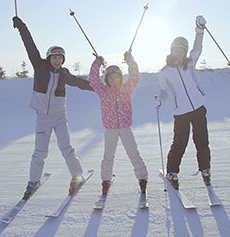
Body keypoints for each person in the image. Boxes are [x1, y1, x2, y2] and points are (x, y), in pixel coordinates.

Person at [12, 16, 94, 199]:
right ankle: (33, 181)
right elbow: (30, 45)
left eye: (60, 58)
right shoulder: (39, 66)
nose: (57, 61)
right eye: (54, 57)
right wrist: (22, 28)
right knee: (40, 152)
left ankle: (77, 176)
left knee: (67, 148)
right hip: (42, 117)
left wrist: (98, 87)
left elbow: (80, 83)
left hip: (59, 117)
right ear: (49, 58)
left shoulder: (64, 74)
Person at [156, 15, 211, 189]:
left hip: (198, 107)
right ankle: (172, 172)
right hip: (181, 112)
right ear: (171, 51)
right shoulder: (165, 72)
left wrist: (199, 29)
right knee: (180, 142)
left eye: (182, 50)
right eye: (176, 50)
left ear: (185, 52)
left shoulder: (190, 63)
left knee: (202, 140)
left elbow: (198, 46)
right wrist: (160, 100)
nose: (179, 53)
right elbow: (163, 90)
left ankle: (205, 169)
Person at [89, 51, 149, 196]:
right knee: (108, 156)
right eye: (111, 78)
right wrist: (97, 64)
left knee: (133, 153)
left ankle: (142, 178)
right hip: (110, 130)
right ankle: (105, 181)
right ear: (107, 80)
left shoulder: (126, 89)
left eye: (117, 77)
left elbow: (135, 76)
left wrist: (130, 61)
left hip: (125, 128)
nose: (114, 80)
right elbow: (93, 81)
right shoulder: (103, 91)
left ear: (121, 78)